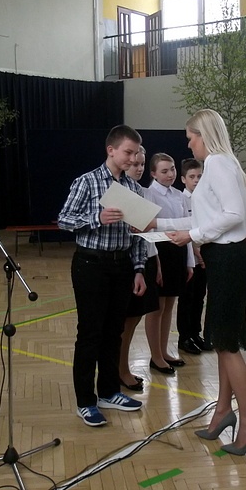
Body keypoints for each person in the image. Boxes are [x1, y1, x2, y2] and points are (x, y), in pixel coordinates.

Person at [153, 109, 246, 455]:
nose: (189, 144)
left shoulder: (217, 163)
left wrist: (194, 236)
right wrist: (160, 225)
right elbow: (204, 217)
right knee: (220, 341)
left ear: (205, 134)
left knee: (227, 345)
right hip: (222, 259)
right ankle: (222, 411)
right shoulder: (221, 164)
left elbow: (233, 215)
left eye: (191, 138)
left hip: (229, 260)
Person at [58, 125, 146, 427]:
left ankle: (109, 392)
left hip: (122, 266)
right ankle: (86, 401)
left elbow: (137, 236)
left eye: (136, 153)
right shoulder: (87, 182)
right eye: (128, 152)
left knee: (114, 332)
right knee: (90, 333)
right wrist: (96, 218)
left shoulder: (134, 188)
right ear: (111, 150)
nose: (132, 159)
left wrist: (139, 269)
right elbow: (64, 220)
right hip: (91, 264)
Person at [144, 153, 194, 371]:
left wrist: (189, 262)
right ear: (153, 173)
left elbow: (187, 229)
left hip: (178, 250)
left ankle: (163, 351)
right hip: (160, 251)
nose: (170, 174)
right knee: (157, 307)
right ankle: (155, 356)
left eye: (172, 169)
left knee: (170, 305)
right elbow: (149, 229)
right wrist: (156, 261)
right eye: (164, 171)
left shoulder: (179, 195)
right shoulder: (149, 194)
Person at [119, 146, 160, 391]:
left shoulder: (140, 192)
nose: (139, 168)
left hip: (145, 259)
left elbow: (148, 236)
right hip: (127, 262)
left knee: (134, 318)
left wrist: (155, 263)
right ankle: (120, 368)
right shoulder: (121, 193)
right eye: (135, 164)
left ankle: (122, 366)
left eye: (142, 164)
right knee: (125, 321)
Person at [179, 158, 210, 352]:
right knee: (187, 298)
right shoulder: (182, 199)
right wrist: (195, 251)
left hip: (204, 255)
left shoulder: (205, 199)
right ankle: (184, 337)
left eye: (200, 176)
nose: (197, 180)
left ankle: (195, 333)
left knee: (199, 296)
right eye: (192, 177)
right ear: (184, 179)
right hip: (190, 255)